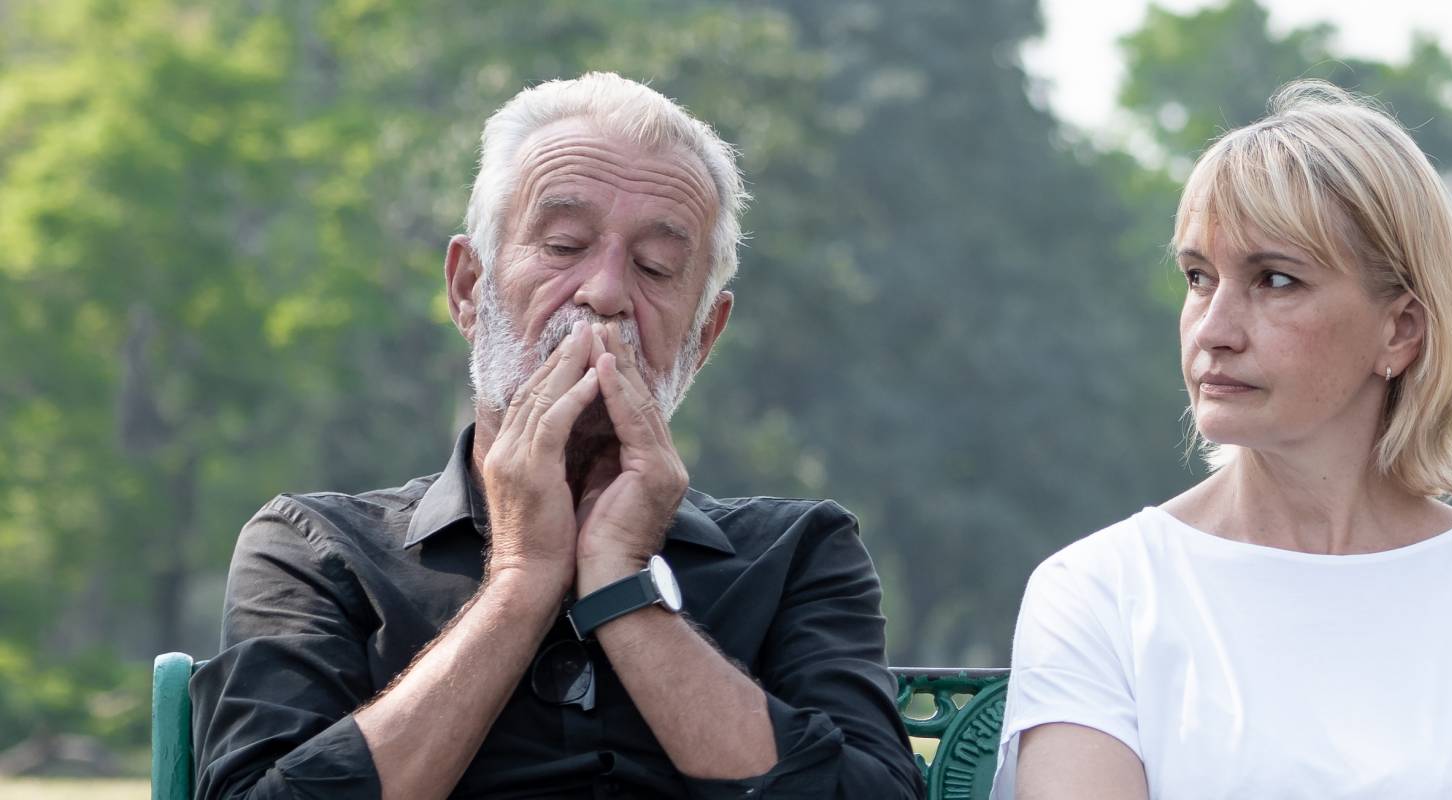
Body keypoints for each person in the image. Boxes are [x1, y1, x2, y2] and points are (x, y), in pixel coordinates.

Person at [190, 72, 925, 800]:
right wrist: (521, 578)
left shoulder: (798, 554)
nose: (605, 293)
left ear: (704, 337)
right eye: (565, 245)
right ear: (469, 288)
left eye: (655, 267)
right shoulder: (314, 550)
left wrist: (623, 585)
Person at [992, 81, 1452, 800]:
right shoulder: (1100, 591)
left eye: (1275, 280)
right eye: (1197, 277)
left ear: (1400, 329)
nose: (1214, 329)